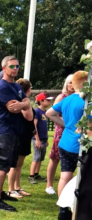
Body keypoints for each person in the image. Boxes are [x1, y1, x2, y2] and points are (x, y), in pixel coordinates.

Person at [0, 56, 33, 212]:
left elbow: (27, 103)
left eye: (17, 66)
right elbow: (13, 108)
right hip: (3, 132)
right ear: (4, 68)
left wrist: (23, 103)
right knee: (1, 166)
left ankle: (0, 193)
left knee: (8, 165)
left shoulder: (16, 86)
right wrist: (24, 104)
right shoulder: (2, 87)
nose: (15, 68)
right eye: (12, 66)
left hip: (13, 132)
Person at [46, 70, 87, 220]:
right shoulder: (86, 101)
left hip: (65, 143)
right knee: (83, 177)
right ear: (85, 84)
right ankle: (79, 206)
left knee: (65, 176)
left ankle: (63, 209)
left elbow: (49, 112)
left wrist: (66, 125)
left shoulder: (67, 99)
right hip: (80, 145)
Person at [45, 74, 74, 195]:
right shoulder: (62, 97)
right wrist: (65, 123)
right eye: (70, 83)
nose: (72, 85)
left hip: (71, 132)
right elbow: (53, 114)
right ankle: (49, 185)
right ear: (66, 84)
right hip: (61, 130)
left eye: (74, 82)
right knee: (55, 157)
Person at [7, 78, 34, 198]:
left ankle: (17, 187)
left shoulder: (23, 101)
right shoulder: (20, 102)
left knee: (19, 165)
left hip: (26, 135)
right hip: (19, 135)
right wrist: (27, 103)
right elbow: (28, 117)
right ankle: (11, 189)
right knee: (14, 164)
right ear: (28, 90)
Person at [28, 91, 53, 184]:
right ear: (41, 101)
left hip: (43, 139)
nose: (49, 102)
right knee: (36, 157)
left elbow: (44, 127)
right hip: (37, 139)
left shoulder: (45, 112)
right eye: (47, 100)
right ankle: (31, 176)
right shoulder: (37, 112)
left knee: (41, 158)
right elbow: (34, 126)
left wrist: (46, 140)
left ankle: (36, 174)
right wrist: (37, 139)